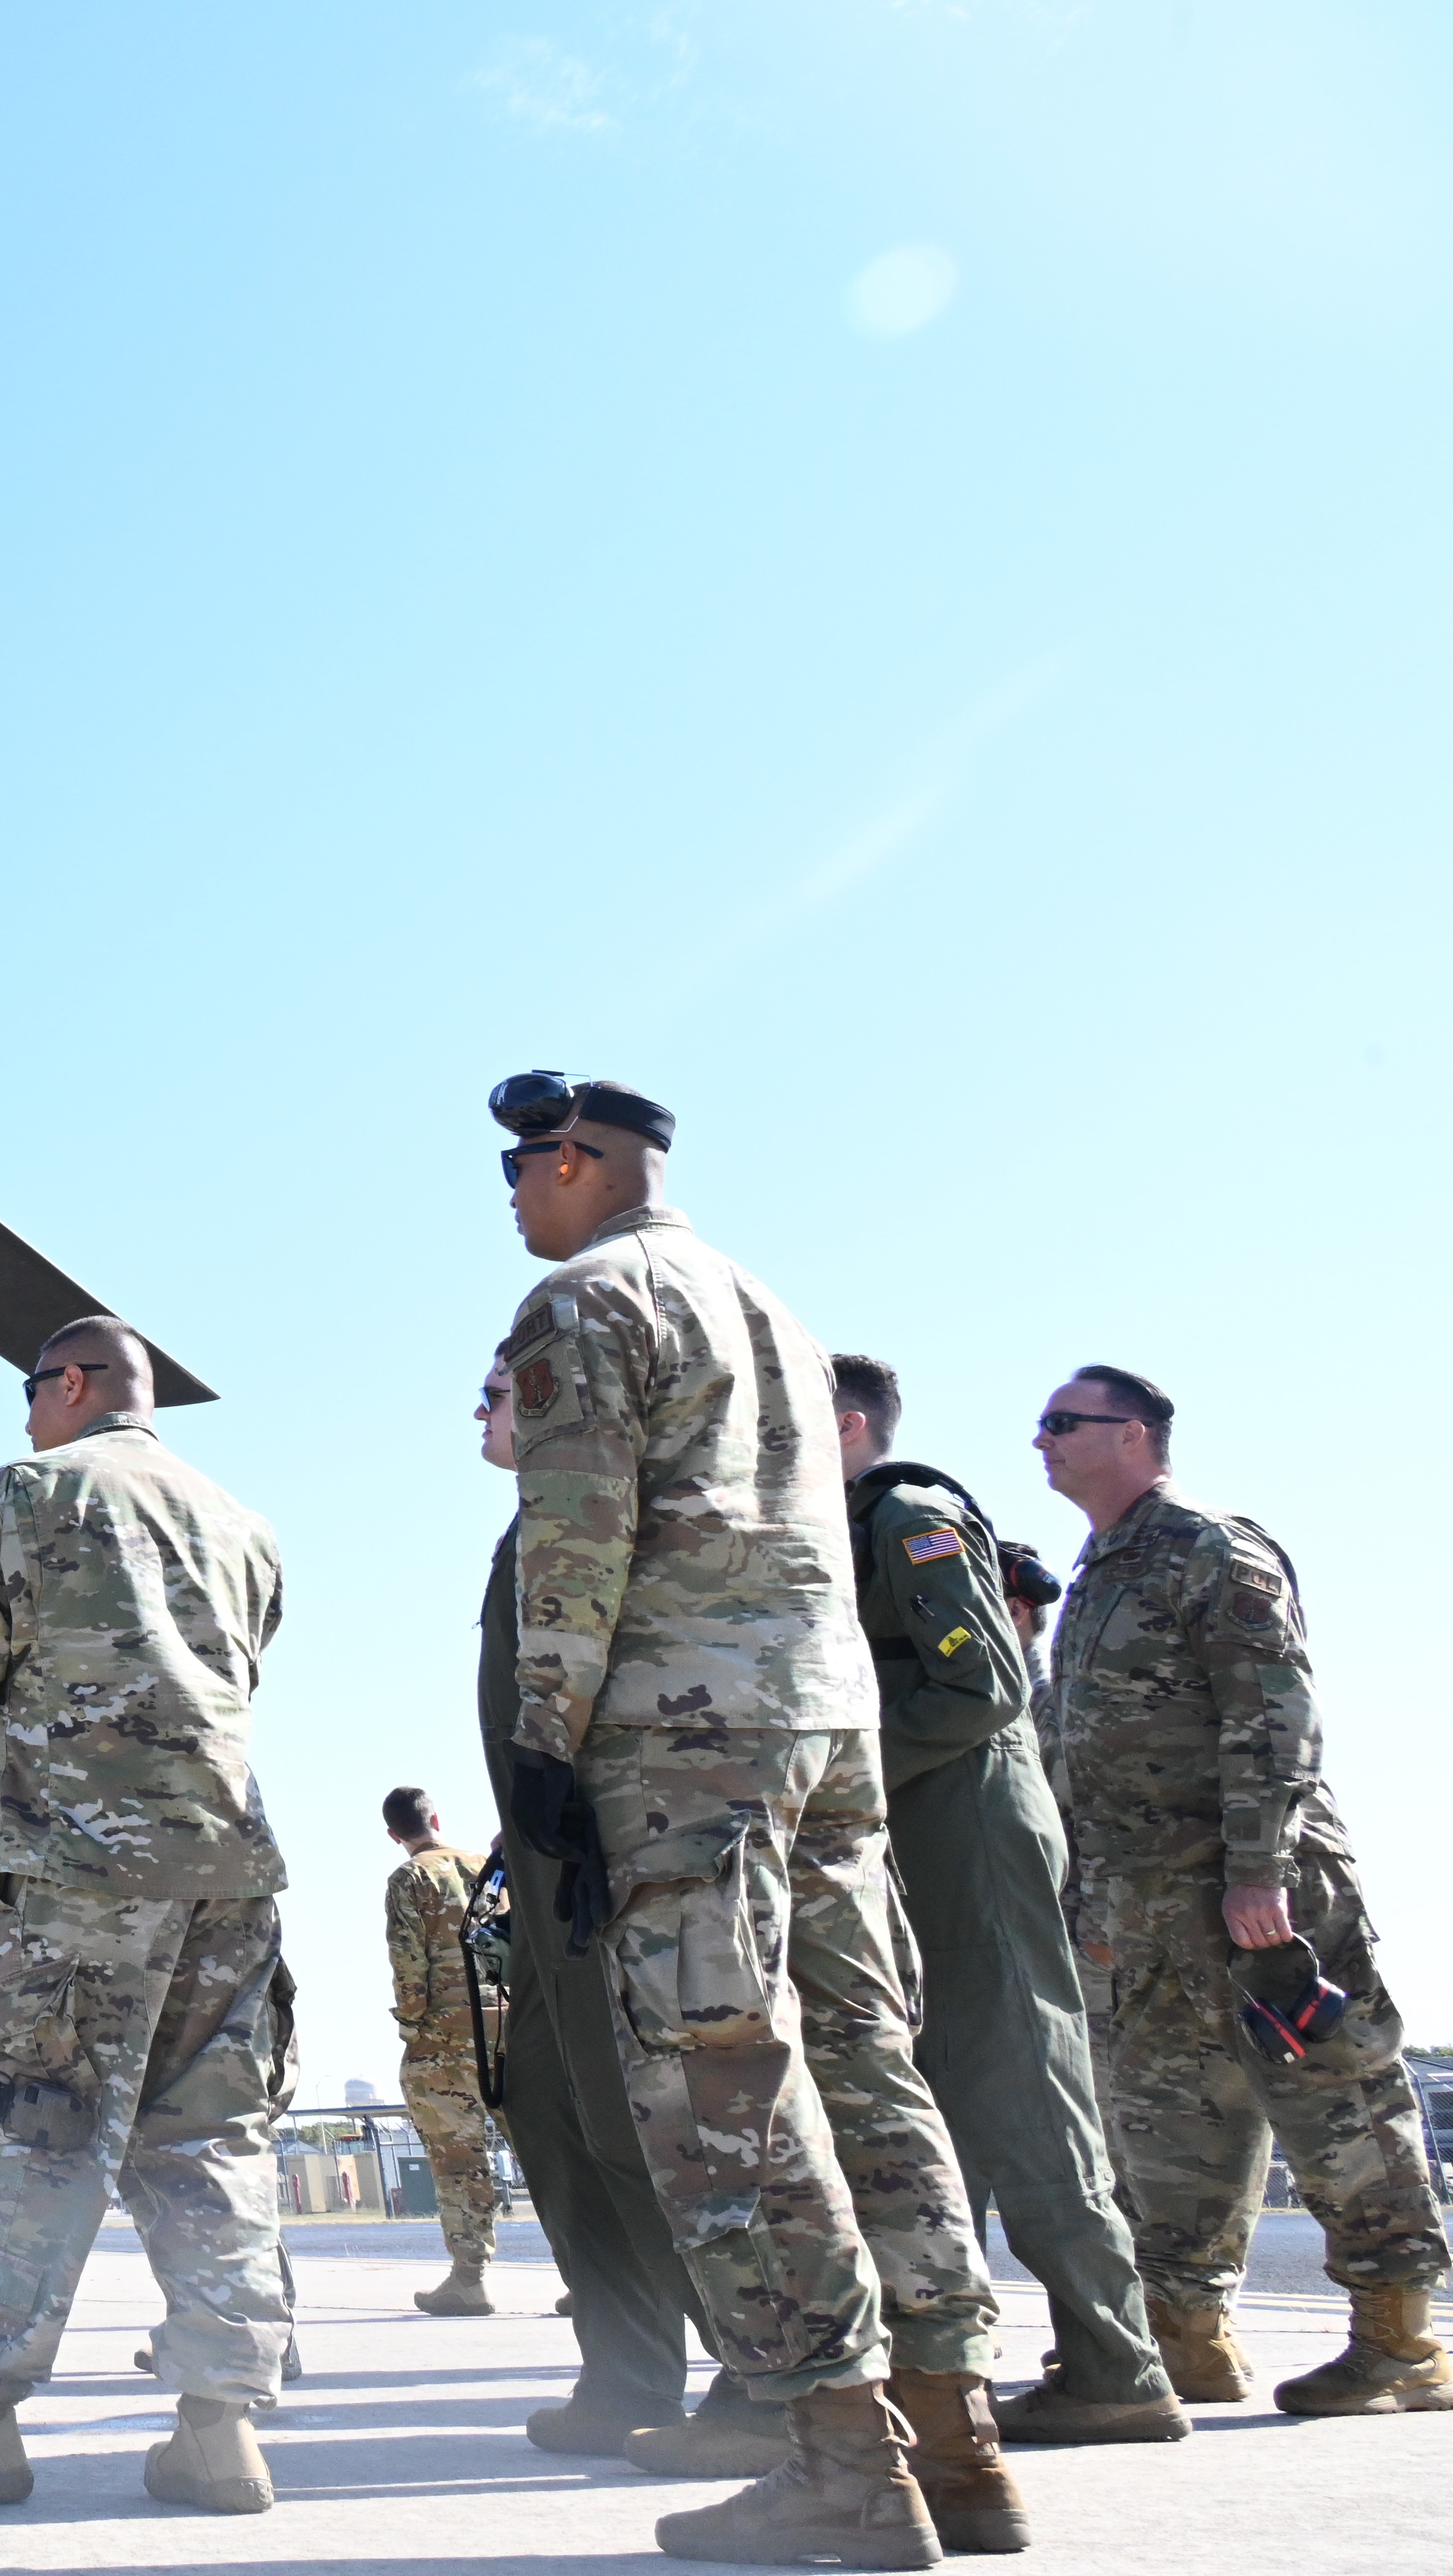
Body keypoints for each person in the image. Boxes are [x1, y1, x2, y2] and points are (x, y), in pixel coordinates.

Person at [488, 1072, 1003, 2565]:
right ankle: (956, 2438)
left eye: (523, 1171)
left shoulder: (586, 1301)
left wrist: (545, 1739)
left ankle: (840, 2456)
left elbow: (573, 1534)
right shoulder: (763, 1301)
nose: (517, 1202)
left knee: (718, 2078)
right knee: (862, 2066)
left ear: (580, 1160)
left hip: (680, 1732)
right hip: (822, 1720)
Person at [0, 1317, 293, 2517]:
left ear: (77, 1383)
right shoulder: (240, 1520)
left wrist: (16, 1779)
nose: (25, 1409)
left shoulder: (31, 1492)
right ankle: (220, 2428)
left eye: (32, 1385)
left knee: (36, 2126)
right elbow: (244, 1676)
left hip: (80, 1872)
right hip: (229, 1872)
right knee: (212, 2138)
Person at [1032, 1365, 1448, 2417]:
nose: (1042, 1440)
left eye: (1061, 1423)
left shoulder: (1209, 1546)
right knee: (1168, 2117)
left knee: (1332, 2094)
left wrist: (1260, 1867)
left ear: (1134, 1436)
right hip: (1140, 1908)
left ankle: (1400, 2342)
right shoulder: (1099, 1571)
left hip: (1253, 1889)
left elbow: (1273, 1709)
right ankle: (1187, 2338)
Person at [829, 1354, 1186, 2446]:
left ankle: (1119, 2369)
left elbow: (979, 1689)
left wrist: (840, 1776)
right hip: (917, 1830)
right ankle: (962, 2369)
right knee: (951, 2096)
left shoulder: (909, 1514)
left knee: (1026, 2086)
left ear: (843, 1426)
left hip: (968, 1829)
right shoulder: (846, 1524)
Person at [469, 1357, 716, 2461]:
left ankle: (771, 2385)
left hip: (621, 1869)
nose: (479, 1416)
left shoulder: (611, 1516)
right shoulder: (528, 1538)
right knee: (563, 2126)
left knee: (645, 2129)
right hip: (548, 1883)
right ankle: (627, 2371)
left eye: (492, 1396)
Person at [380, 1786, 502, 2315]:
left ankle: (469, 2279)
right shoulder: (488, 1866)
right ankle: (586, 2277)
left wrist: (413, 2027)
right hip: (508, 2026)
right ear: (436, 1817)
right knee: (547, 2159)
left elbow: (409, 1964)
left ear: (394, 1835)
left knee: (460, 2161)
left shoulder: (410, 1877)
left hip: (445, 2037)